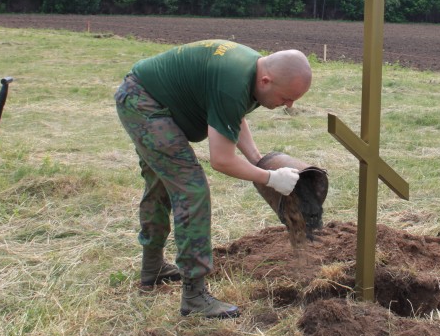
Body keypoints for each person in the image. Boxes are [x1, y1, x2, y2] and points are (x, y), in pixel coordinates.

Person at [114, 39, 312, 318]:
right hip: (143, 102)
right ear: (266, 81)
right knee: (191, 189)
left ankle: (152, 269)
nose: (289, 105)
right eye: (286, 97)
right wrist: (269, 177)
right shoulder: (233, 80)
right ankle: (194, 296)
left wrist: (256, 159)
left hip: (149, 97)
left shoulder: (252, 71)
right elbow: (222, 159)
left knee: (161, 185)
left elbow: (231, 115)